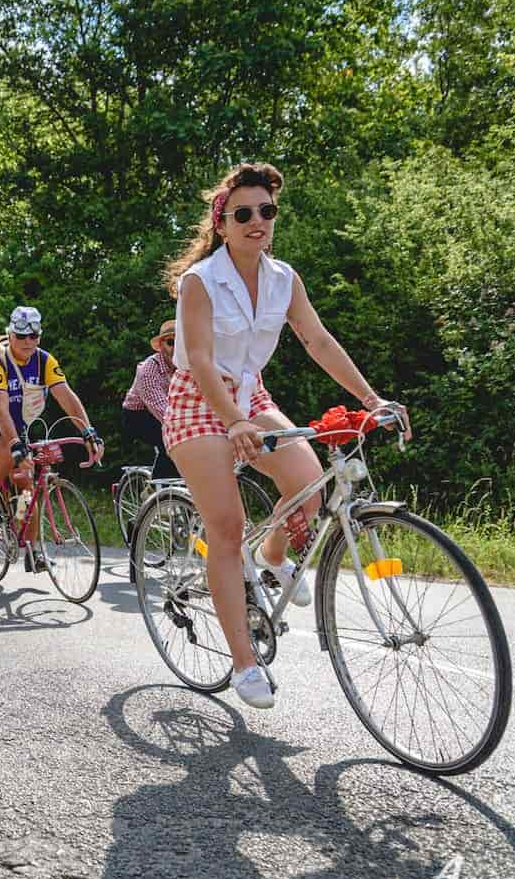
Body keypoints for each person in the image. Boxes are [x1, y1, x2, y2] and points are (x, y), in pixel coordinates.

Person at [163, 161, 405, 710]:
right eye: (243, 213)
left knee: (309, 485)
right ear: (222, 223)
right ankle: (245, 662)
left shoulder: (283, 279)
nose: (257, 221)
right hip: (198, 405)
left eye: (266, 211)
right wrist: (233, 421)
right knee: (226, 527)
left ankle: (273, 558)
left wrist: (373, 401)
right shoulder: (200, 282)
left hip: (252, 400)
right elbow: (199, 360)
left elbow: (318, 341)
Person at [0, 306, 104, 570]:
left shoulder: (44, 361)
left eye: (34, 336)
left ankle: (30, 549)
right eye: (21, 335)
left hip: (17, 427)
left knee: (27, 487)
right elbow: (0, 409)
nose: (28, 342)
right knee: (5, 454)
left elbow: (66, 396)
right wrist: (16, 445)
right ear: (10, 334)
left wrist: (87, 431)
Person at [121, 319, 177, 478]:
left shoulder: (188, 366)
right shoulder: (148, 370)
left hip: (170, 410)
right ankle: (157, 493)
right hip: (138, 415)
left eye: (181, 342)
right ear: (161, 346)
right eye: (171, 342)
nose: (176, 348)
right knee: (170, 441)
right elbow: (164, 412)